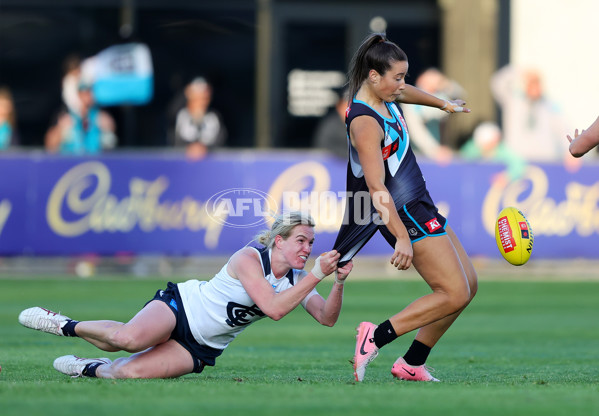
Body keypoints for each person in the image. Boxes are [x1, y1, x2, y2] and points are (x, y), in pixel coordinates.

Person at [19, 211, 353, 379]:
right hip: (182, 308)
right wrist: (317, 274)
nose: (308, 249)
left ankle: (89, 368)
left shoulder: (297, 279)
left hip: (202, 346)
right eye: (301, 241)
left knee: (127, 373)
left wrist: (336, 282)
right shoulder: (248, 257)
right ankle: (65, 325)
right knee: (128, 338)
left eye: (310, 243)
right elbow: (273, 308)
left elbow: (327, 318)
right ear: (279, 240)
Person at [331, 33, 478, 383]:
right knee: (453, 292)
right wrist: (400, 237)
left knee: (468, 285)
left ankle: (412, 363)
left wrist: (444, 105)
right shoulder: (365, 122)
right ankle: (375, 336)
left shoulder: (385, 94)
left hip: (417, 203)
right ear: (373, 76)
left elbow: (405, 92)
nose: (402, 84)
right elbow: (376, 188)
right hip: (401, 212)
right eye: (396, 77)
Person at [491, 64, 579, 170]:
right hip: (517, 163)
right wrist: (520, 71)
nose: (534, 88)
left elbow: (563, 129)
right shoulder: (514, 101)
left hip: (544, 162)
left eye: (537, 83)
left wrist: (571, 151)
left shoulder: (549, 106)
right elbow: (497, 83)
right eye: (531, 83)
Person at [400, 68, 464, 164]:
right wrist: (434, 150)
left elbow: (460, 96)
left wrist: (444, 83)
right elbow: (416, 130)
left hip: (441, 154)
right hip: (417, 154)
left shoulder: (441, 97)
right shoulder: (410, 100)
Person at [44, 80, 117, 155]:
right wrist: (60, 129)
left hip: (94, 161)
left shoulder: (101, 116)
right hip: (70, 162)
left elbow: (111, 144)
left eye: (89, 92)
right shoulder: (64, 115)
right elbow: (50, 146)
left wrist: (108, 129)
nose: (87, 96)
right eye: (83, 92)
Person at [173, 77, 226, 160]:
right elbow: (175, 141)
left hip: (210, 165)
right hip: (184, 165)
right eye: (197, 98)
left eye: (205, 98)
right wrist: (189, 148)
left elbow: (220, 141)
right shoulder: (180, 115)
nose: (202, 102)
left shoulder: (214, 117)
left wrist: (205, 149)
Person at [460, 121, 527, 186]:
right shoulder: (474, 148)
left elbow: (519, 163)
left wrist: (507, 176)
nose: (485, 145)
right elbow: (464, 154)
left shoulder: (502, 150)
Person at [312, 89, 349, 159]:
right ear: (339, 107)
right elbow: (322, 147)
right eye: (347, 105)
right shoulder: (330, 125)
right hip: (334, 166)